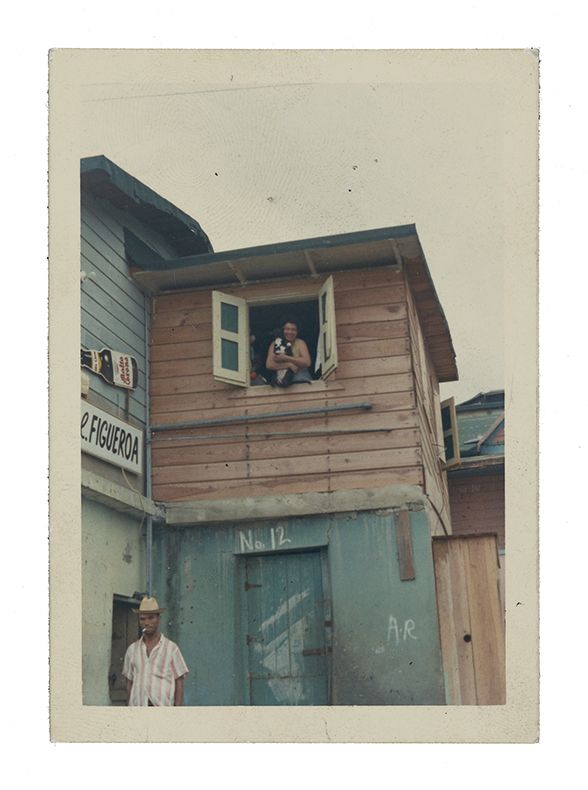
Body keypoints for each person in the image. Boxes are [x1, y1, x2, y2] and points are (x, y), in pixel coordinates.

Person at [122, 596, 189, 706]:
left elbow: (179, 682)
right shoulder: (132, 650)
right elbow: (129, 682)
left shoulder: (172, 649)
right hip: (138, 711)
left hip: (163, 711)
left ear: (158, 619)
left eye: (151, 618)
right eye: (142, 619)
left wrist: (177, 712)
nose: (147, 622)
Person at [265, 319, 312, 385]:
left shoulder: (300, 343)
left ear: (297, 332)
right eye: (287, 329)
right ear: (283, 330)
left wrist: (286, 358)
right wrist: (289, 365)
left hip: (300, 378)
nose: (290, 332)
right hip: (282, 378)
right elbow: (269, 365)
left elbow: (307, 362)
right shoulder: (275, 344)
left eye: (293, 330)